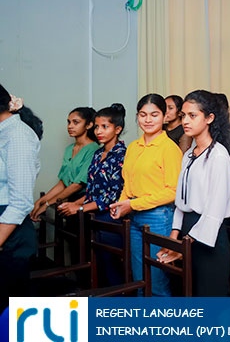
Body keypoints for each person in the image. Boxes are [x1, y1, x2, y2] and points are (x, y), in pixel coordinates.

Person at [158, 90, 230, 296]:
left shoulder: (218, 156)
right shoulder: (189, 155)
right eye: (183, 115)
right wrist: (174, 238)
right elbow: (181, 201)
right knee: (188, 294)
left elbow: (214, 211)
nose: (185, 121)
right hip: (188, 231)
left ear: (209, 118)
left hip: (209, 235)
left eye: (193, 116)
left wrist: (184, 244)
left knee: (209, 298)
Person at [110, 94, 182, 297]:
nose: (148, 120)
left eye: (154, 114)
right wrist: (121, 204)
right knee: (139, 279)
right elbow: (128, 182)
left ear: (164, 117)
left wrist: (132, 205)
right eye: (143, 115)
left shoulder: (169, 148)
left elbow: (172, 191)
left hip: (158, 217)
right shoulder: (133, 146)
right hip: (134, 216)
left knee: (156, 282)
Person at [57, 103, 127, 285]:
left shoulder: (122, 155)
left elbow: (112, 195)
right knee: (96, 266)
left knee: (112, 269)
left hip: (111, 217)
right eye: (96, 127)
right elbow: (93, 189)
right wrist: (75, 204)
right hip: (93, 215)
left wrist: (80, 207)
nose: (99, 131)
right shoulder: (97, 154)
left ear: (117, 129)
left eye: (105, 126)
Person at [0, 85, 42, 310]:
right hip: (5, 224)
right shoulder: (5, 132)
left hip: (10, 230)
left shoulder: (17, 135)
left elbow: (21, 201)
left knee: (9, 313)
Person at [30, 107, 100, 221]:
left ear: (89, 125)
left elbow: (78, 184)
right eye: (69, 122)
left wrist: (47, 204)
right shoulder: (69, 149)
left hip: (84, 203)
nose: (70, 126)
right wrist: (40, 201)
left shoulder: (93, 149)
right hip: (69, 201)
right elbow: (63, 182)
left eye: (75, 122)